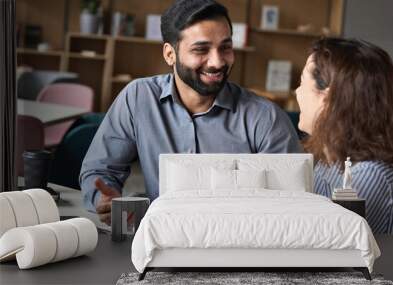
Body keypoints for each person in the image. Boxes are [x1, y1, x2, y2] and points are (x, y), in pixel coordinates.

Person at [80, 0, 301, 225]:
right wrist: (104, 199)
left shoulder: (266, 118)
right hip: (160, 242)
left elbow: (292, 204)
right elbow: (99, 169)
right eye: (201, 49)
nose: (217, 62)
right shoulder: (139, 98)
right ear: (170, 54)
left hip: (238, 246)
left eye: (225, 47)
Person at [295, 37, 393, 234]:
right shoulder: (332, 161)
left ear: (328, 97)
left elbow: (324, 248)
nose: (297, 92)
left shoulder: (368, 176)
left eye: (301, 83)